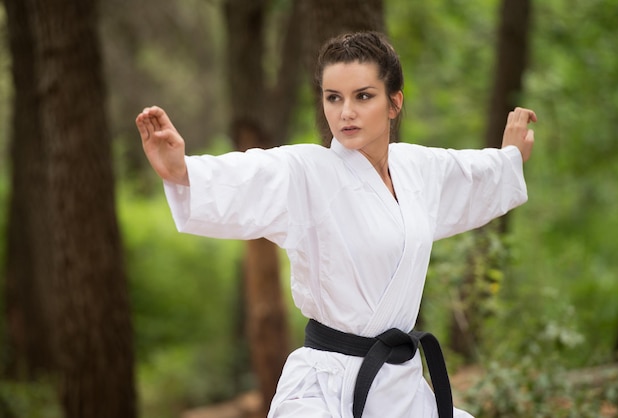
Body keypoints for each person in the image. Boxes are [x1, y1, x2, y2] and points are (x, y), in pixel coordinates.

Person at [136, 31, 536, 418]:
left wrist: (509, 159)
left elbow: (470, 177)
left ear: (394, 103)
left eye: (363, 96)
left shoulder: (418, 169)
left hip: (401, 385)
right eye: (333, 98)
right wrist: (182, 170)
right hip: (327, 387)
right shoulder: (308, 172)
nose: (345, 112)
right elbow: (250, 175)